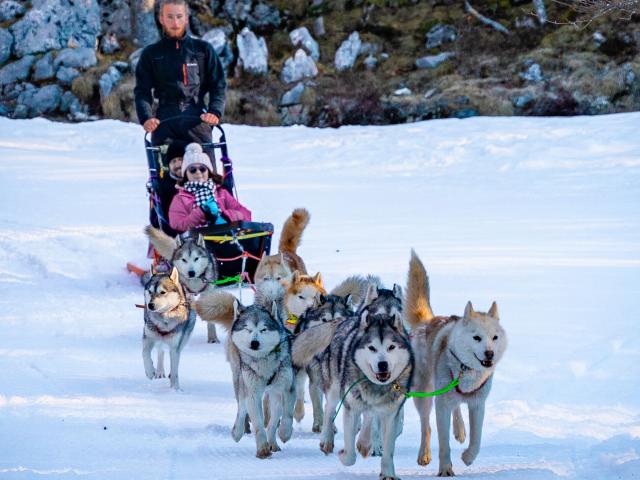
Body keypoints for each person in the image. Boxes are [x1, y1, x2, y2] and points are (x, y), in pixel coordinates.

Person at [133, 0, 226, 162]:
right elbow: (142, 91)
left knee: (204, 175)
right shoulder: (151, 54)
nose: (175, 22)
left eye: (179, 16)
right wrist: (146, 118)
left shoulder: (203, 50)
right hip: (164, 121)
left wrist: (214, 112)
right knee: (165, 180)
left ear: (186, 18)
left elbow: (218, 84)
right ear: (161, 18)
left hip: (197, 119)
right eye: (169, 17)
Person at [169, 143, 251, 233]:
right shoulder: (180, 198)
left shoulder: (221, 193)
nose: (198, 172)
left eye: (202, 169)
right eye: (192, 170)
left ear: (209, 172)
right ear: (186, 174)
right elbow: (177, 224)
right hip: (196, 241)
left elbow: (246, 214)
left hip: (226, 234)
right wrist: (201, 212)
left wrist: (226, 216)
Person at [150, 143, 183, 237]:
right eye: (173, 161)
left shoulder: (198, 178)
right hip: (172, 231)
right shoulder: (163, 185)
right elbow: (156, 220)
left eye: (181, 159)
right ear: (168, 166)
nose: (177, 164)